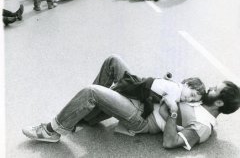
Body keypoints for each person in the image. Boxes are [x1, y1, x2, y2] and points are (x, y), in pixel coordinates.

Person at [22, 55, 240, 151]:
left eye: (215, 90)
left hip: (142, 118)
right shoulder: (202, 99)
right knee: (113, 61)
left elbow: (170, 142)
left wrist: (172, 112)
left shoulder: (204, 127)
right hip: (145, 98)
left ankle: (53, 130)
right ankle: (87, 116)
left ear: (219, 102)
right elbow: (182, 91)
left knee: (91, 92)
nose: (210, 88)